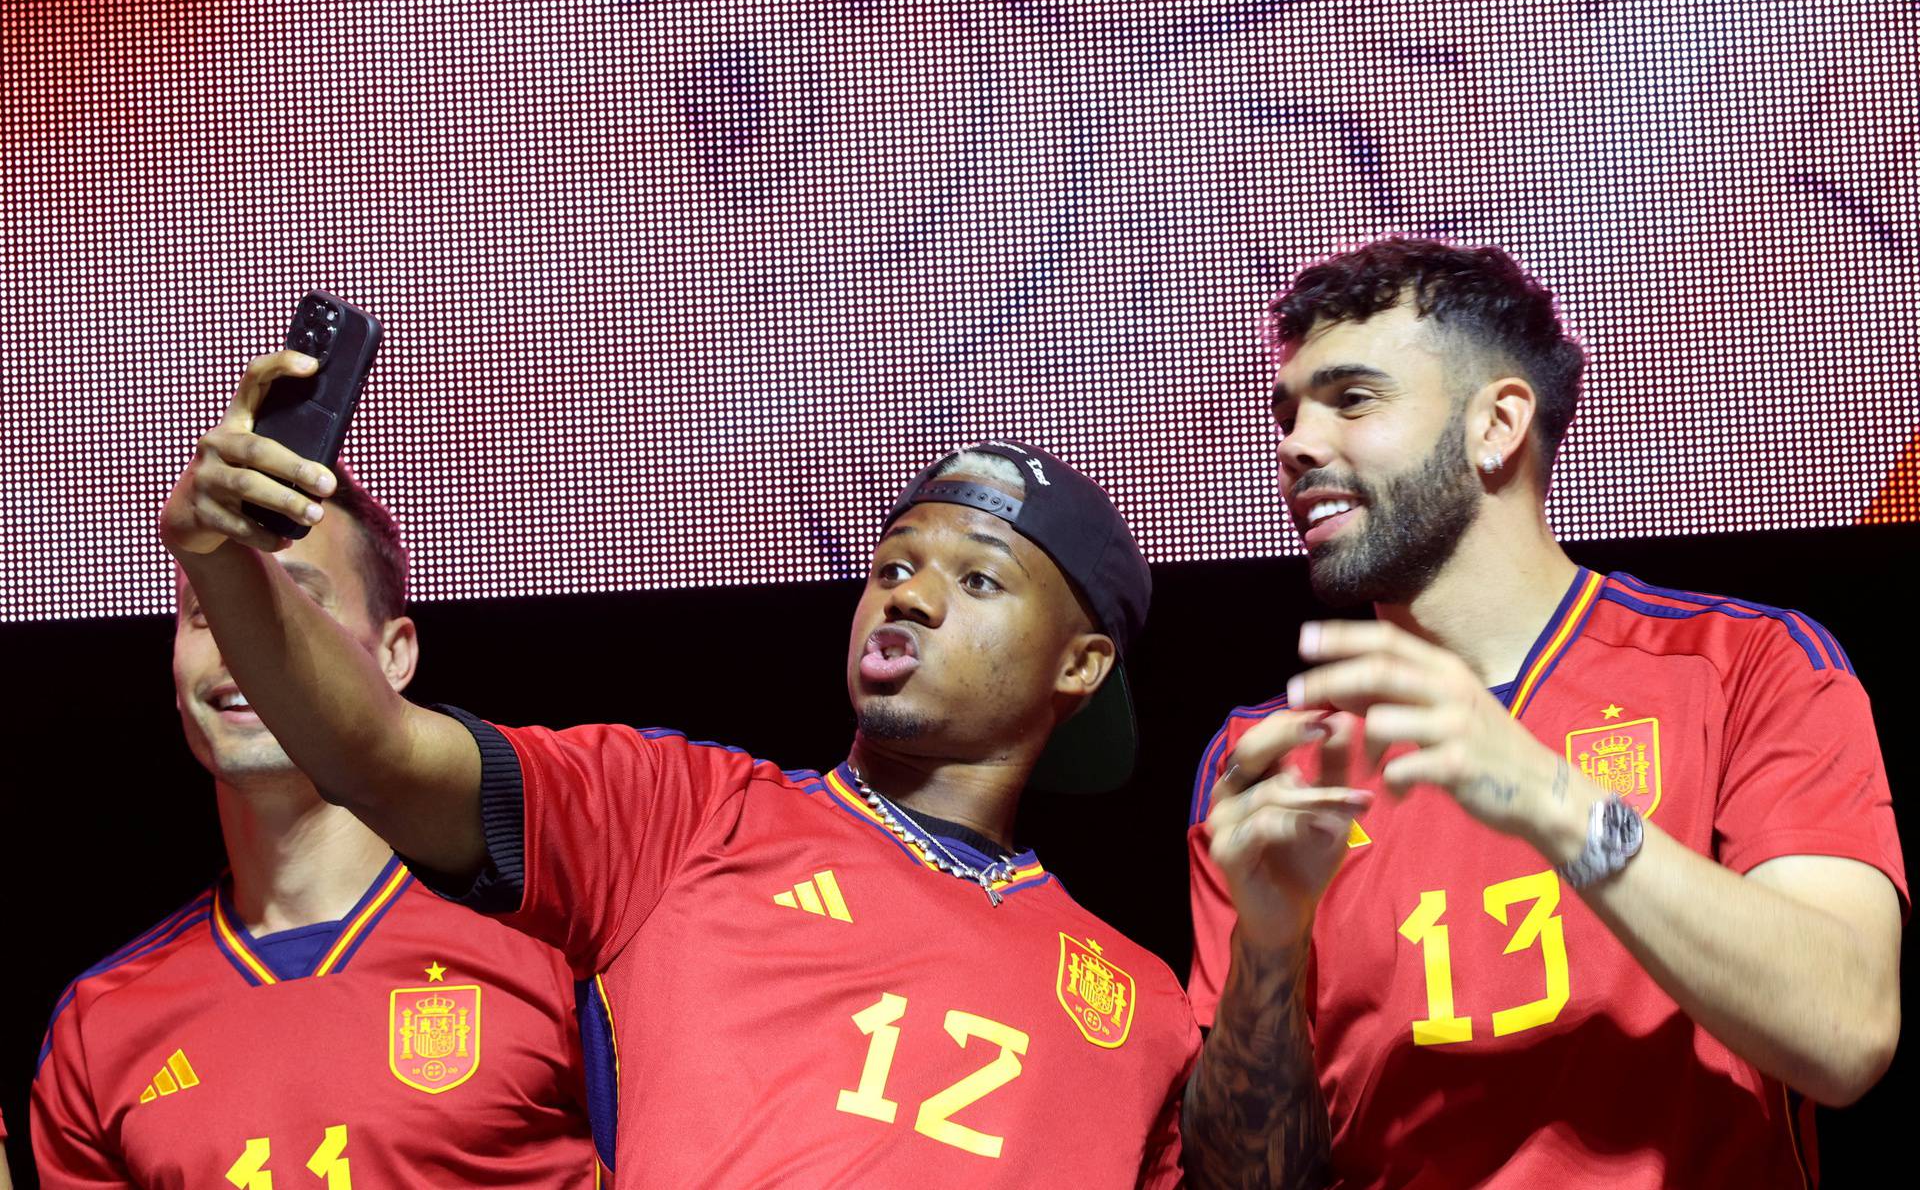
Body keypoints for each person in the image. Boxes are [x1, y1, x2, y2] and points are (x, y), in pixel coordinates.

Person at [156, 351, 1199, 1186]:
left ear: (1081, 662)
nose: (910, 597)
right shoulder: (686, 818)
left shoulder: (1146, 1011)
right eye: (892, 565)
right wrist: (219, 561)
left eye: (977, 577)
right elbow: (374, 753)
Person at [1181, 238, 1905, 1188]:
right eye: (1287, 412)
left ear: (1499, 423)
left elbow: (1845, 1032)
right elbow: (1242, 1180)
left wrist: (1546, 795)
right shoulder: (1266, 758)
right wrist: (1268, 955)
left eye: (1352, 401)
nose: (1296, 445)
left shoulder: (1746, 666)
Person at [34, 469, 597, 1185]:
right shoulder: (98, 1022)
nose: (244, 644)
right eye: (209, 611)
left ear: (395, 655)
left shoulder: (552, 948)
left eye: (295, 602)